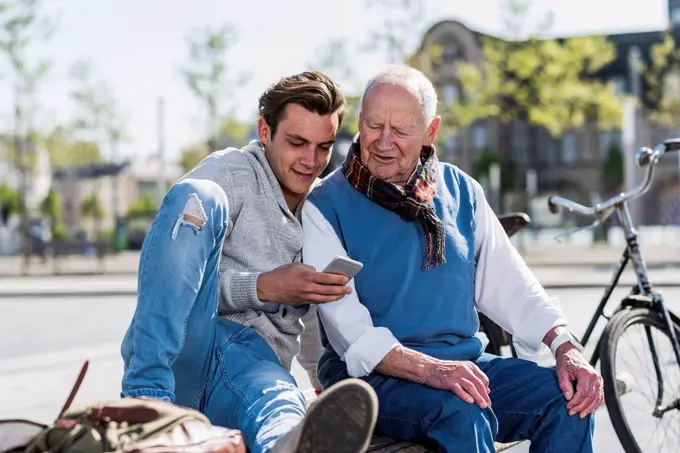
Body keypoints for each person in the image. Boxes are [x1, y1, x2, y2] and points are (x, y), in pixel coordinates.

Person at [301, 65, 603, 452]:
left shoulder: (462, 190)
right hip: (370, 383)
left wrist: (566, 346)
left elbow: (512, 285)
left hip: (463, 367)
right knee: (463, 409)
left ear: (430, 132)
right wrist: (433, 371)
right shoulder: (324, 206)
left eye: (401, 130)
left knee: (568, 400)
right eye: (373, 125)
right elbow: (352, 335)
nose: (382, 141)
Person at [120, 70, 378, 453]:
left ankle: (287, 442)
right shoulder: (231, 173)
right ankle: (145, 400)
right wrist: (264, 286)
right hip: (192, 346)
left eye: (323, 148)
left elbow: (312, 314)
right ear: (264, 131)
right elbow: (173, 267)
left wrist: (319, 379)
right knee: (196, 196)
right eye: (297, 143)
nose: (311, 161)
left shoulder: (322, 206)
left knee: (279, 402)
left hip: (254, 366)